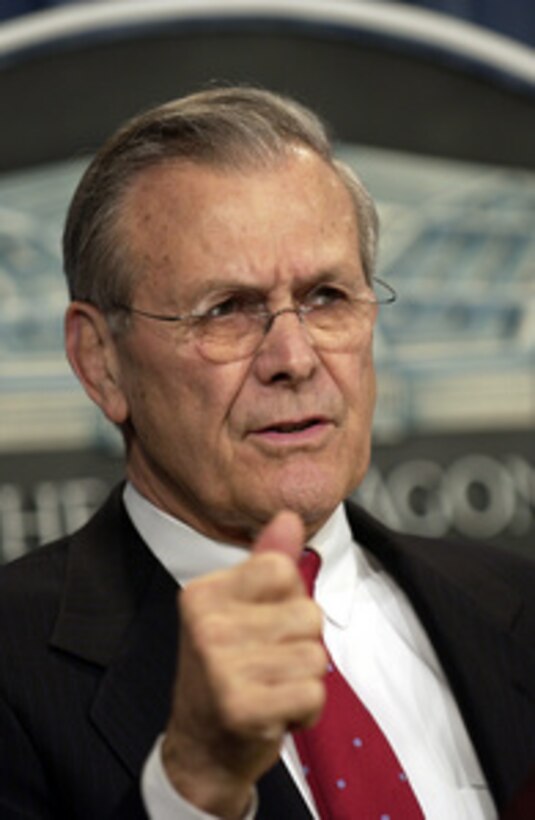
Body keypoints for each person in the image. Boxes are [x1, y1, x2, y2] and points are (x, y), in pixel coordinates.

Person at [0, 86, 533, 820]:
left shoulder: (515, 607)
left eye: (325, 297)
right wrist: (194, 789)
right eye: (225, 309)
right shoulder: (15, 668)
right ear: (101, 362)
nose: (294, 357)